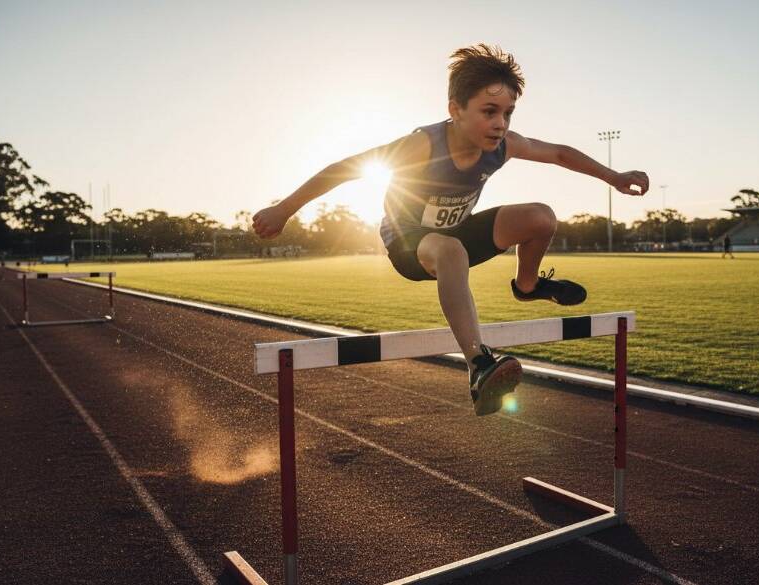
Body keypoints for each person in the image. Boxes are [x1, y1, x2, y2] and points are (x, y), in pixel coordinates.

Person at [253, 45, 649, 416]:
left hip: (458, 232)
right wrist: (285, 209)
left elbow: (559, 153)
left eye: (508, 113)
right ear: (455, 110)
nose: (499, 124)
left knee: (541, 217)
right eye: (489, 111)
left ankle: (527, 287)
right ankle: (478, 364)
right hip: (409, 244)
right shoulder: (422, 146)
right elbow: (346, 167)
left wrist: (614, 177)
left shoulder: (503, 146)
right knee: (451, 251)